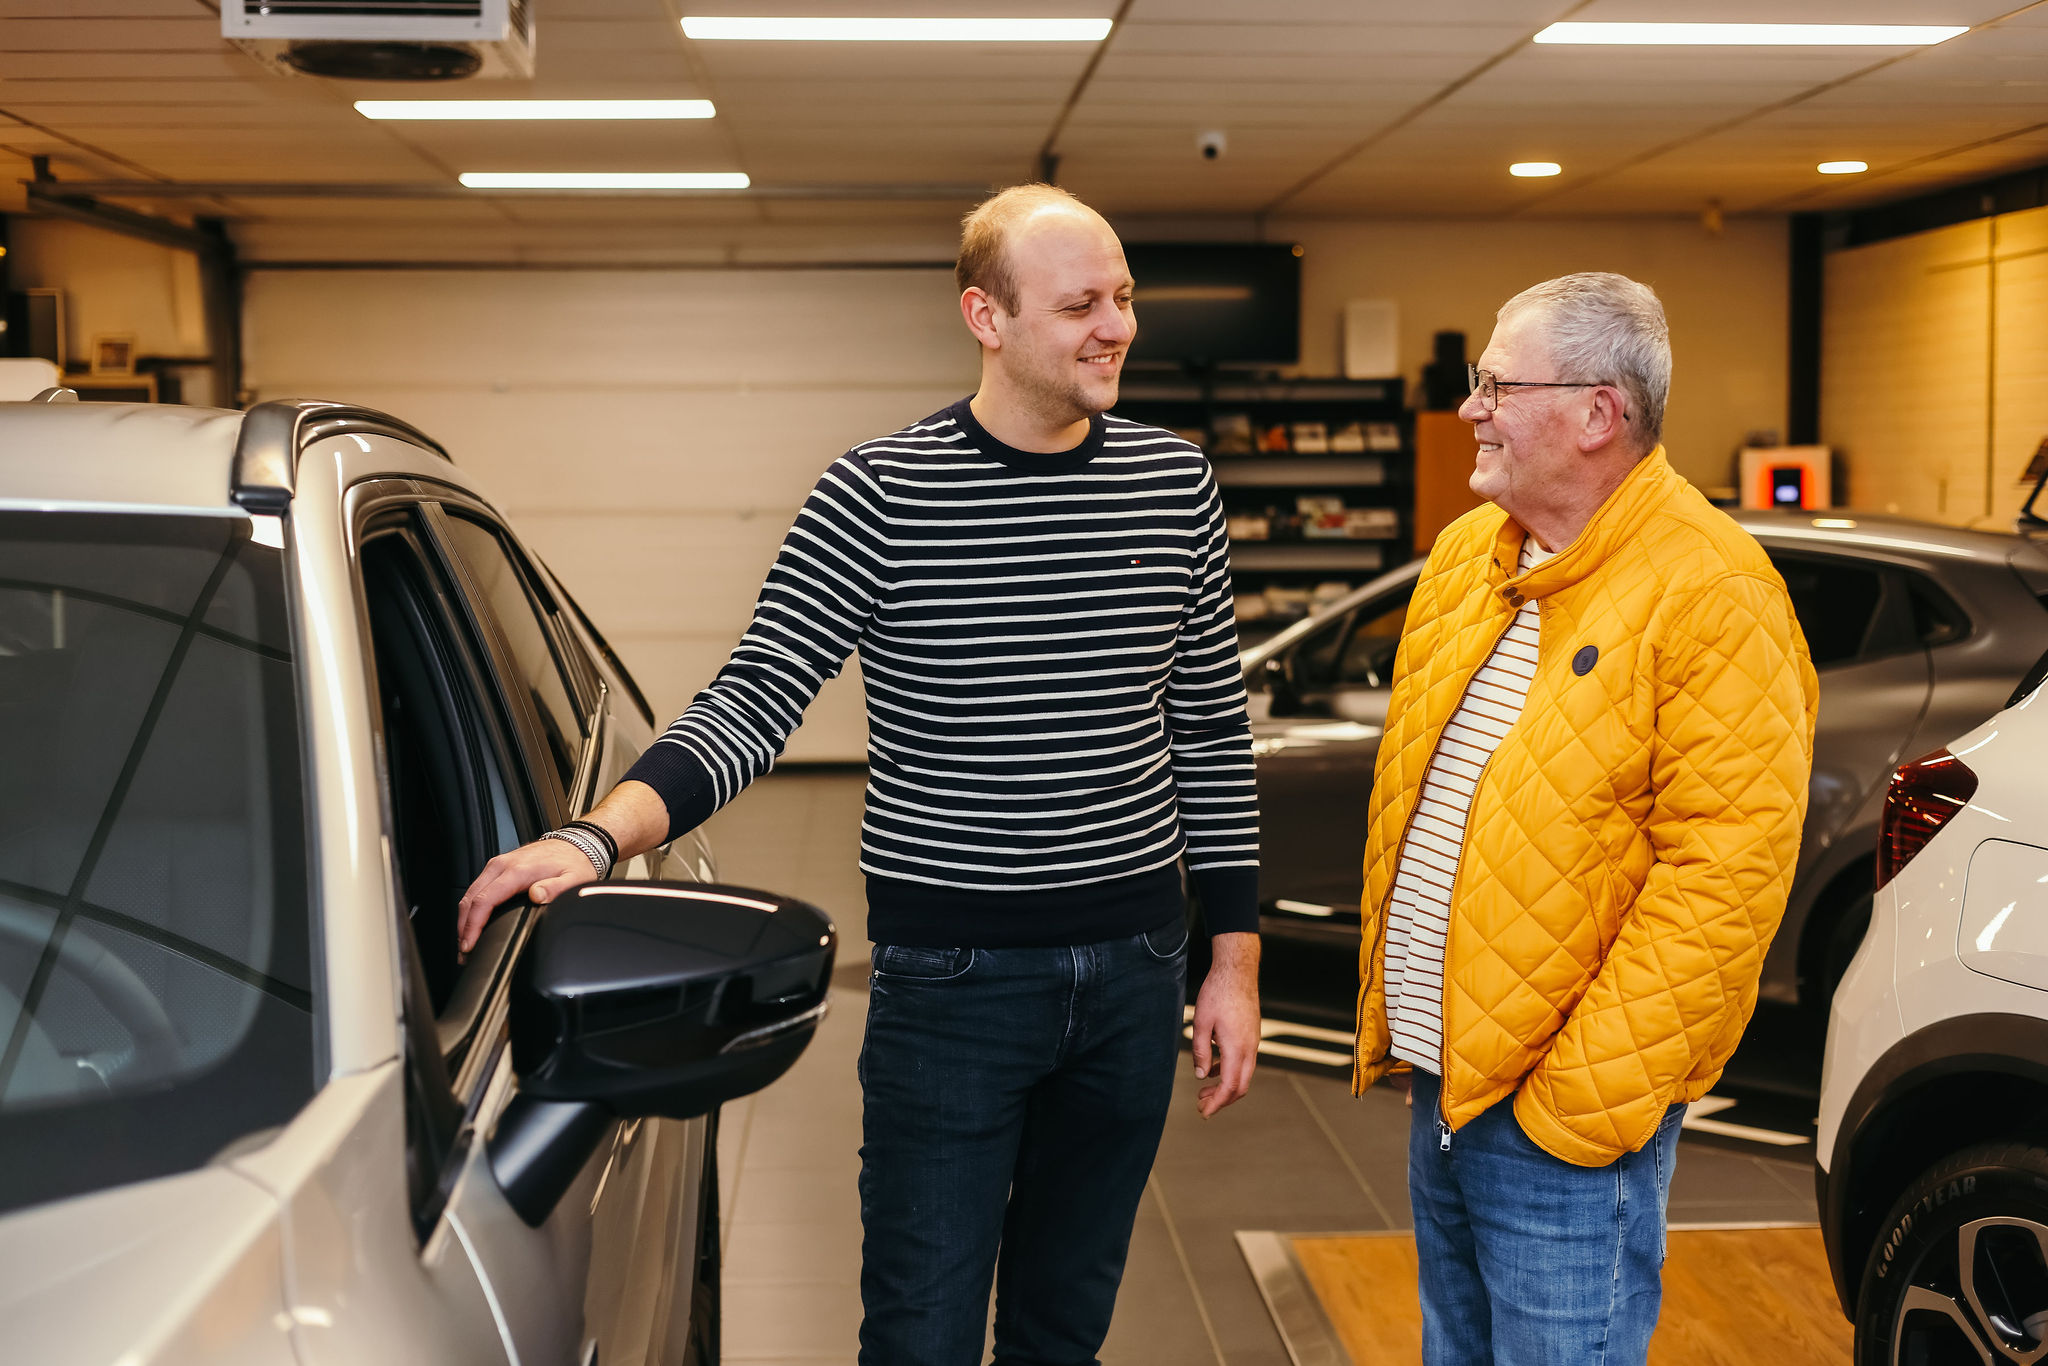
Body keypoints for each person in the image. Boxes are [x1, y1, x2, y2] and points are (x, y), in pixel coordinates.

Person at [457, 182, 1262, 1366]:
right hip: (954, 980)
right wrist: (594, 838)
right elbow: (754, 697)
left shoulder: (1173, 483)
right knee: (919, 1332)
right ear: (984, 317)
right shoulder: (876, 494)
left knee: (1064, 1324)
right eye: (1082, 303)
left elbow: (1206, 731)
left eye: (1125, 296)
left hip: (1135, 968)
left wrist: (1229, 960)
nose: (1118, 326)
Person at [1352, 272, 1818, 1365]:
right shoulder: (1472, 557)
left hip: (1561, 1122)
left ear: (1595, 413)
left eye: (1495, 386)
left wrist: (1576, 1104)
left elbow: (1722, 880)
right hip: (1448, 1090)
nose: (1471, 409)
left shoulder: (1711, 589)